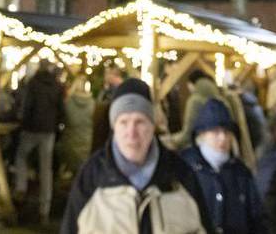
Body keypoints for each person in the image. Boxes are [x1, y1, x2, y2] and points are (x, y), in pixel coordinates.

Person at [61, 78, 212, 234]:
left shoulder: (180, 174)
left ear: (152, 126)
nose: (131, 133)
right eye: (123, 122)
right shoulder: (91, 176)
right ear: (114, 127)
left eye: (140, 122)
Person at [180, 99, 266, 234]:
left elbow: (257, 219)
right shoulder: (185, 168)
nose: (223, 138)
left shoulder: (241, 173)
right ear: (202, 134)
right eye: (215, 132)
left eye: (226, 132)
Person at [14, 61, 65, 224]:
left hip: (31, 129)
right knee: (46, 169)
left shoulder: (33, 84)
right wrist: (57, 127)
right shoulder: (56, 85)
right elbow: (61, 110)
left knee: (21, 156)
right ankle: (45, 209)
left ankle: (21, 187)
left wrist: (23, 123)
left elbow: (26, 107)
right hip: (48, 131)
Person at [170, 70, 226, 149]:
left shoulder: (194, 101)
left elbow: (188, 133)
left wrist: (171, 140)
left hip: (199, 148)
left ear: (191, 84)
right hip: (222, 146)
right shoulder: (220, 98)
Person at [59, 76, 95, 176]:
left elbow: (63, 120)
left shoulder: (68, 102)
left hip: (70, 141)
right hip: (86, 141)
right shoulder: (92, 103)